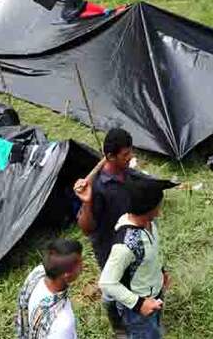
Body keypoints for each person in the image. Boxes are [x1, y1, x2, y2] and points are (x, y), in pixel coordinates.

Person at [75, 128, 136, 333]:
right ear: (110, 156)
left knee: (131, 282)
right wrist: (87, 202)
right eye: (125, 154)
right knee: (113, 288)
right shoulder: (98, 188)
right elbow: (86, 228)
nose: (131, 157)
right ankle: (118, 325)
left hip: (128, 241)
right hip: (109, 248)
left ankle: (132, 312)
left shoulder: (125, 173)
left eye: (130, 152)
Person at [99, 181, 169, 339]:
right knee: (145, 333)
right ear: (148, 209)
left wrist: (161, 272)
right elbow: (107, 282)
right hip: (138, 308)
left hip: (154, 294)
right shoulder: (126, 245)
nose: (159, 212)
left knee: (154, 330)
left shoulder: (149, 223)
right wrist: (139, 304)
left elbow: (150, 254)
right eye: (158, 207)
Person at [15, 238, 83, 339]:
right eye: (79, 263)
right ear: (67, 275)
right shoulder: (62, 324)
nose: (83, 266)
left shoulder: (37, 273)